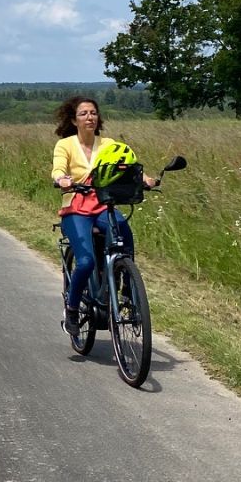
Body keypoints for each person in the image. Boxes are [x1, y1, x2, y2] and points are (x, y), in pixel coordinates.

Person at [50, 95, 157, 336]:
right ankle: (73, 309)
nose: (89, 117)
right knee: (86, 261)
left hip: (102, 205)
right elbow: (58, 168)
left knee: (124, 237)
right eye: (83, 114)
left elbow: (127, 166)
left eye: (93, 113)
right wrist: (61, 179)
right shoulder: (65, 145)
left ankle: (127, 291)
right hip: (76, 207)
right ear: (74, 120)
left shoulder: (108, 144)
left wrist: (145, 179)